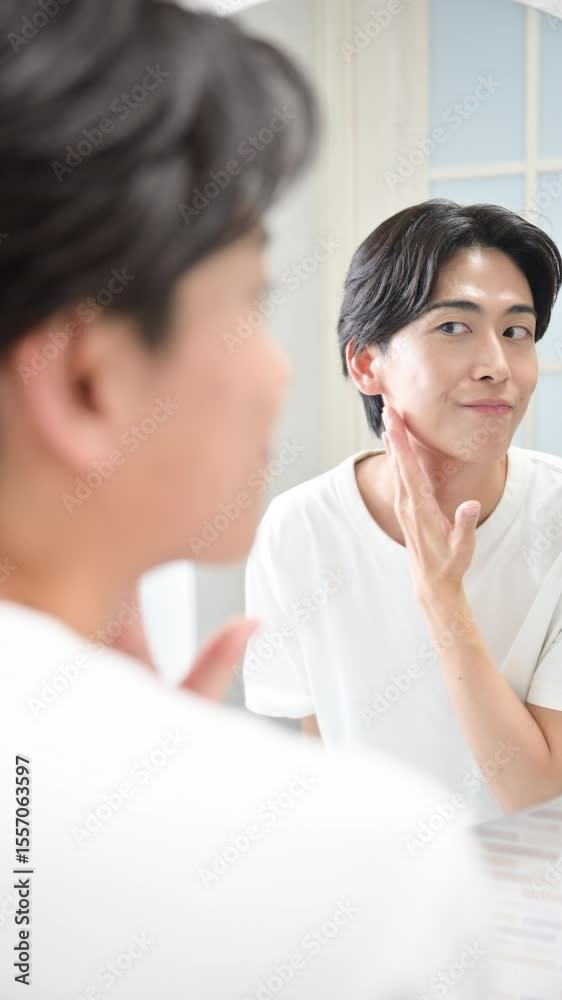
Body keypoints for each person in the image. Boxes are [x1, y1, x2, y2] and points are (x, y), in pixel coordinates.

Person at [0, 4, 494, 997]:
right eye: (252, 301)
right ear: (89, 380)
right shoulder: (366, 874)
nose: (280, 371)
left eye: (518, 329)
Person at [243, 199, 562, 827]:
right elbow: (324, 755)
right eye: (454, 327)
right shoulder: (299, 527)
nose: (497, 367)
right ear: (367, 363)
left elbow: (542, 802)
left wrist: (443, 599)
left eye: (516, 332)